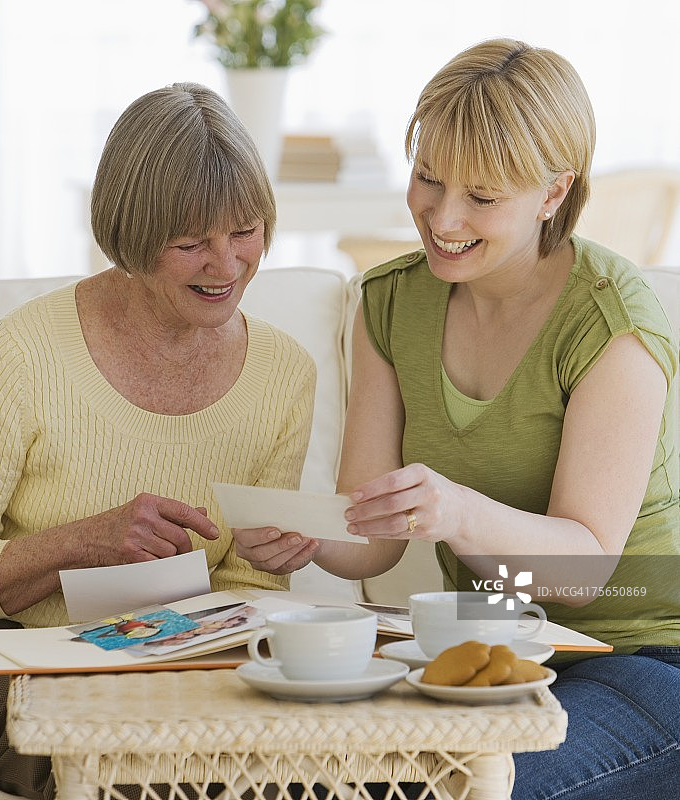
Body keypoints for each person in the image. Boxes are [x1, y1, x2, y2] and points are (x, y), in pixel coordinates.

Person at [234, 39, 680, 799]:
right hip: (479, 657)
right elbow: (371, 542)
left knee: (461, 789)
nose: (442, 217)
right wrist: (310, 536)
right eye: (428, 179)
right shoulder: (391, 302)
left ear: (553, 192)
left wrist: (458, 512)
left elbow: (582, 573)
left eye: (482, 196)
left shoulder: (611, 322)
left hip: (639, 658)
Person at [0, 82, 315, 799]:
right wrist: (79, 544)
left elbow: (251, 588)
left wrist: (250, 593)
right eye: (190, 244)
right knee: (114, 760)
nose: (226, 266)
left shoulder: (284, 373)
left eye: (245, 231)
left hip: (154, 668)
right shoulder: (27, 351)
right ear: (129, 234)